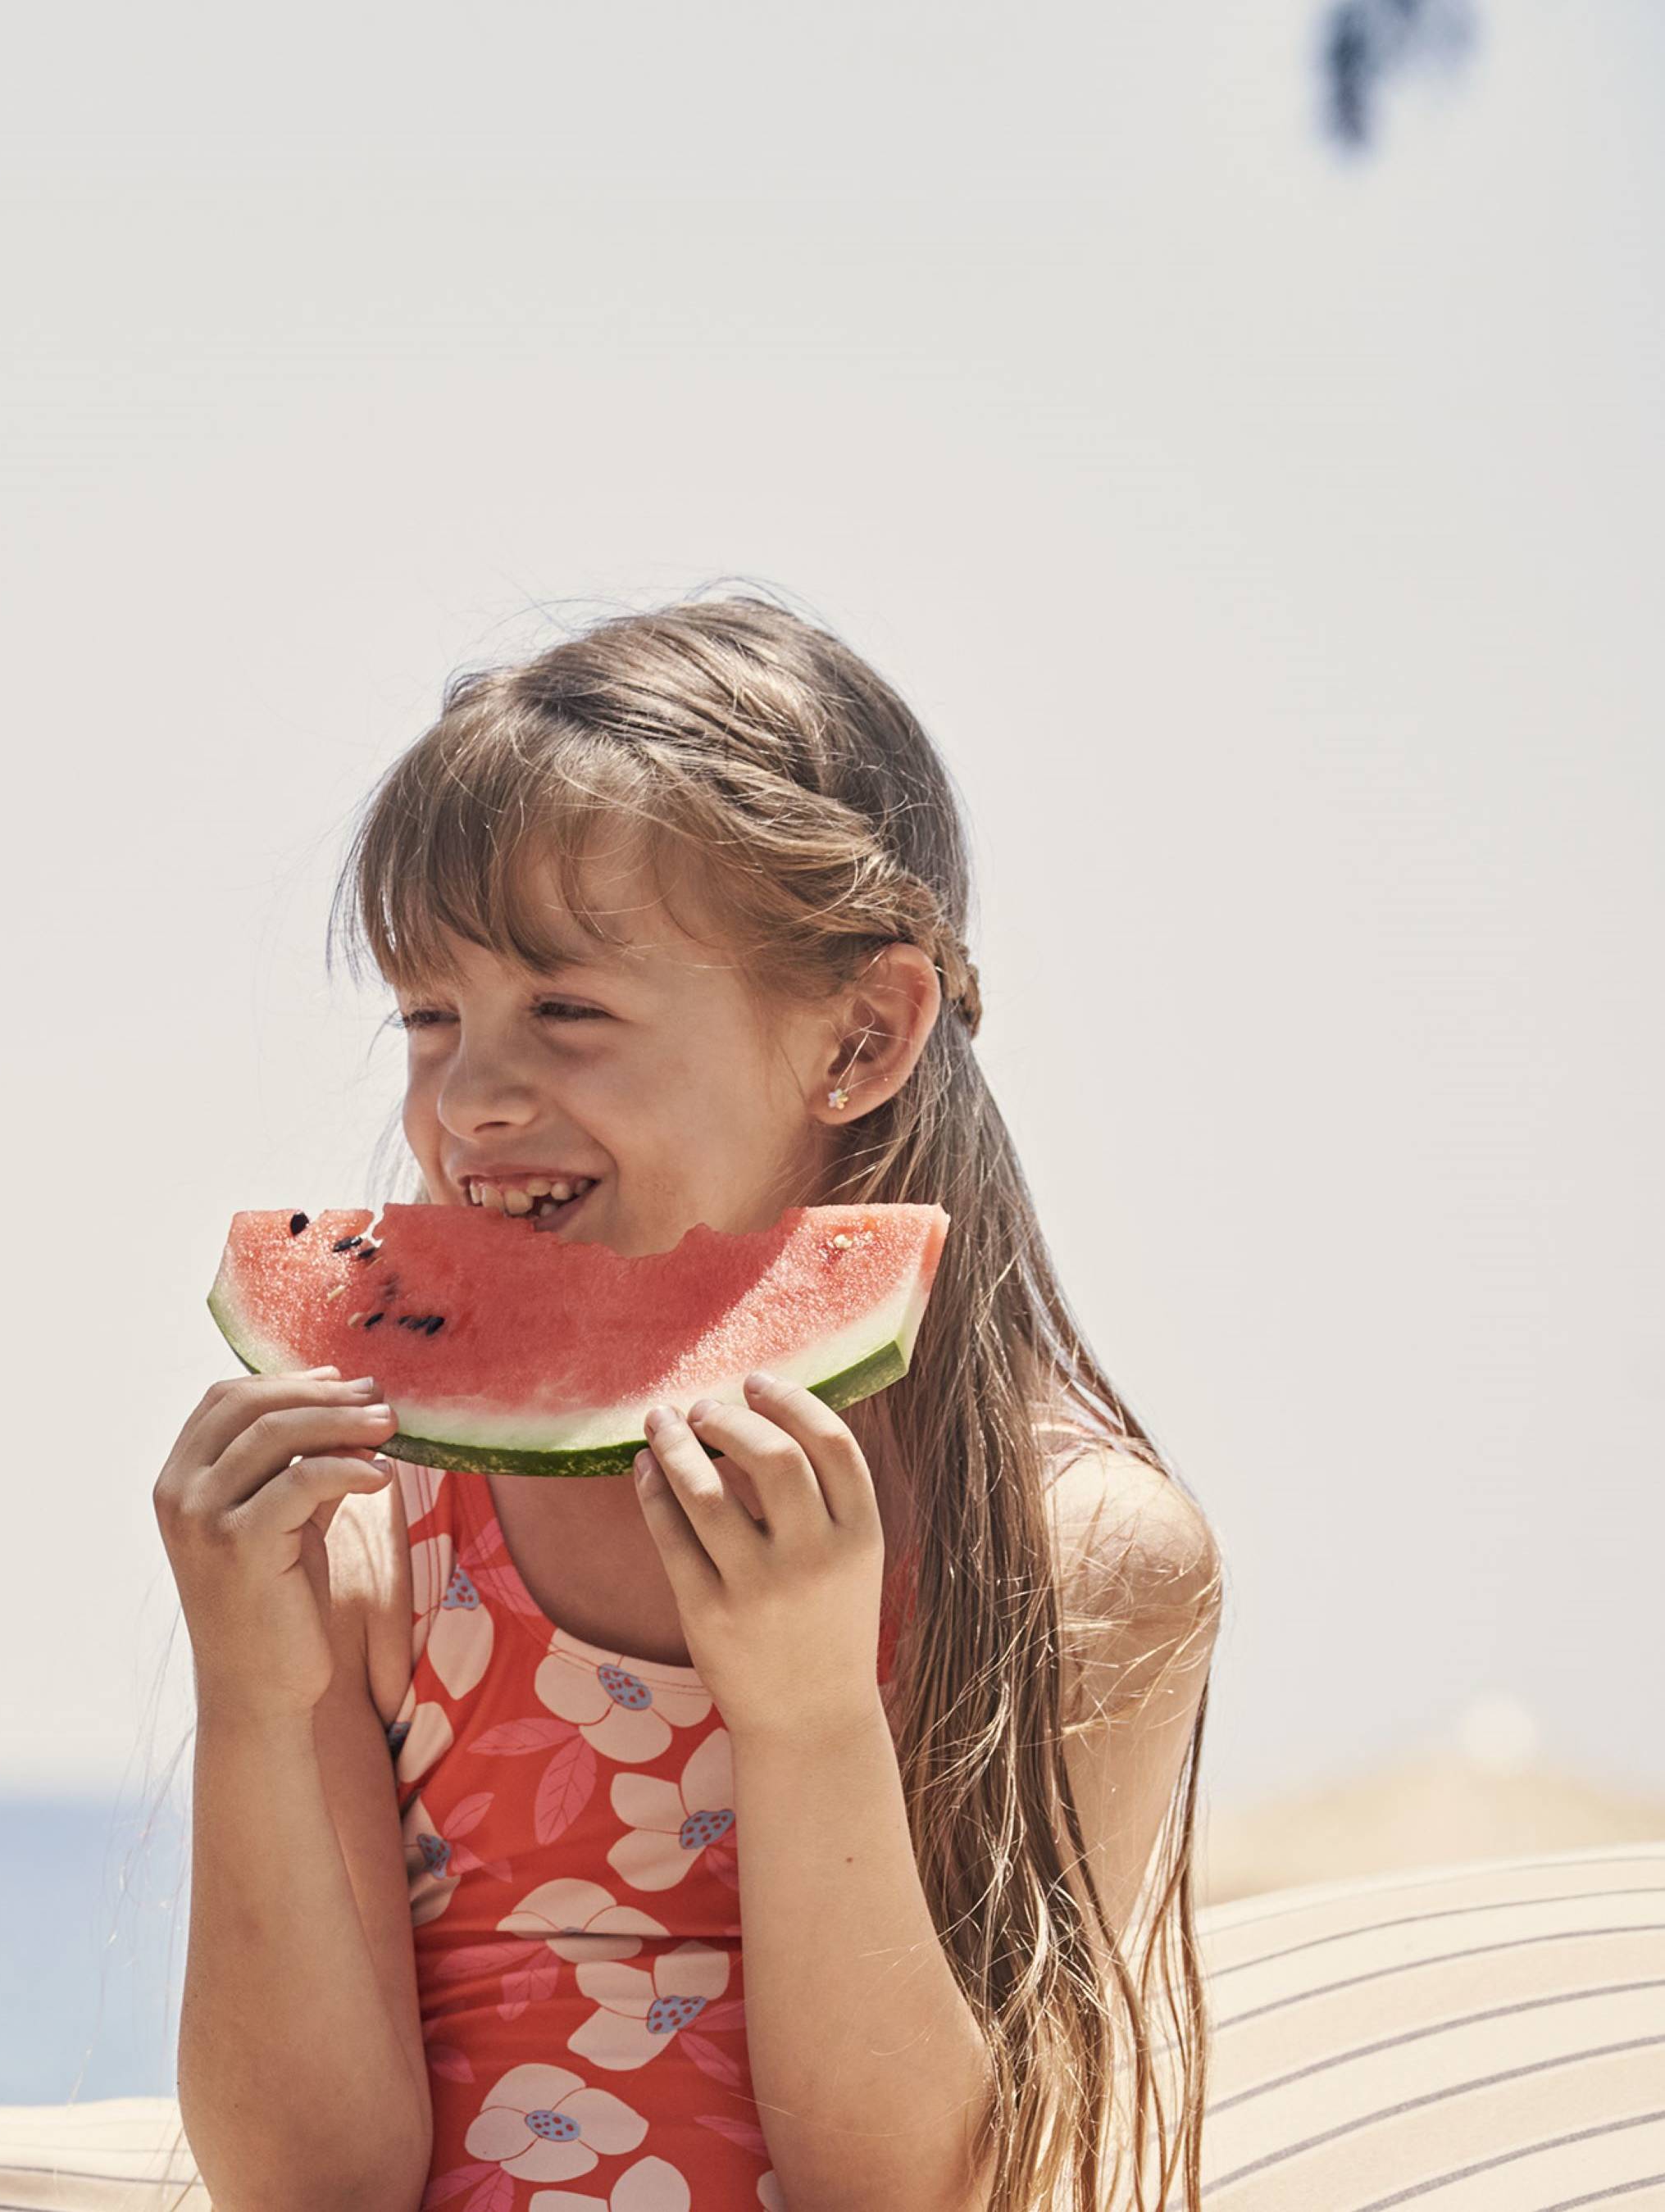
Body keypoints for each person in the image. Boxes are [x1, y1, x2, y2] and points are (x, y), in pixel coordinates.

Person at [156, 597, 1221, 2212]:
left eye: (564, 1011)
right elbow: (306, 2185)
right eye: (426, 1018)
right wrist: (249, 1682)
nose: (467, 1102)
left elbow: (915, 2193)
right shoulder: (379, 1513)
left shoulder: (1080, 1558)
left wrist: (803, 1714)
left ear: (857, 1036)